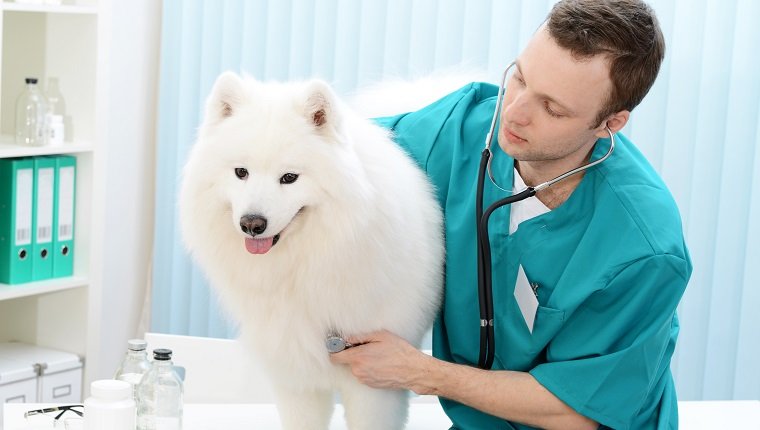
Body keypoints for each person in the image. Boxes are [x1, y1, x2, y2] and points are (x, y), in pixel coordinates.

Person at [330, 0, 692, 429]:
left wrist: (420, 372)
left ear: (609, 124)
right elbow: (341, 153)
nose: (514, 111)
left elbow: (576, 412)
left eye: (552, 109)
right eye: (519, 77)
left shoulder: (644, 248)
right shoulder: (462, 129)